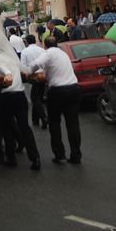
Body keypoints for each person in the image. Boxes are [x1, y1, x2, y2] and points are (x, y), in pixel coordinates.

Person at [28, 36, 82, 165]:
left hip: (58, 91)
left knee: (54, 122)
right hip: (74, 88)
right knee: (73, 123)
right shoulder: (63, 54)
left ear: (45, 46)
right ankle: (76, 155)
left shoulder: (48, 53)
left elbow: (35, 64)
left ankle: (59, 154)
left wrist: (29, 72)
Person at [0, 57, 41, 171]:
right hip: (20, 96)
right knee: (25, 127)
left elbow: (0, 71)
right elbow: (25, 71)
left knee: (7, 128)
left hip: (6, 97)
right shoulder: (14, 59)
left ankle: (11, 158)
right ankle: (35, 158)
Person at [20, 35, 48, 129]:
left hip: (33, 76)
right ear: (35, 41)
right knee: (38, 97)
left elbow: (23, 66)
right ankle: (35, 119)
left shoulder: (25, 51)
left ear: (27, 42)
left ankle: (43, 117)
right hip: (43, 76)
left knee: (35, 98)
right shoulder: (41, 50)